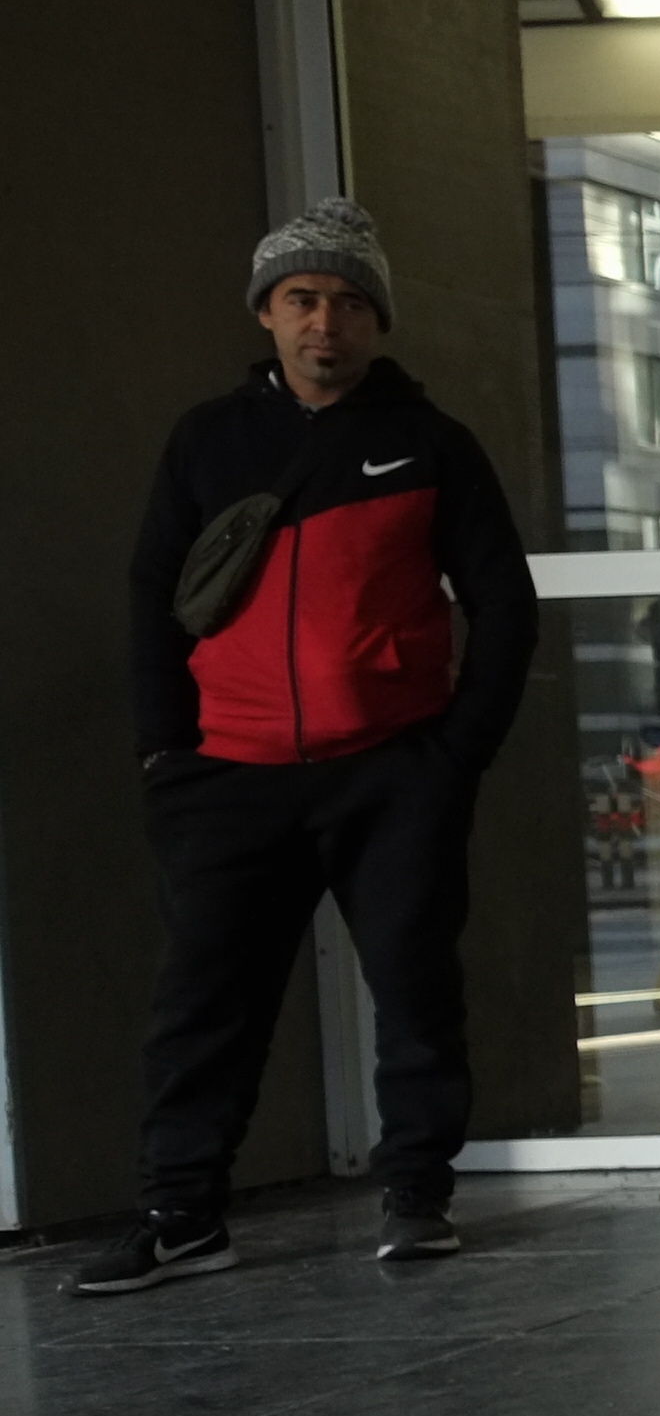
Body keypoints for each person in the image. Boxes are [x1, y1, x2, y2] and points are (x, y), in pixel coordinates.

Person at [87, 199, 535, 1291]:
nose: (323, 323)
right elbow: (153, 594)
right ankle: (183, 1213)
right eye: (301, 301)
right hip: (225, 776)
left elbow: (504, 604)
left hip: (390, 772)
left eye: (346, 302)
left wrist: (454, 752)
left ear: (375, 321)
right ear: (266, 313)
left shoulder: (429, 446)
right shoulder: (209, 440)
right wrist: (165, 754)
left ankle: (417, 1193)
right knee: (203, 1005)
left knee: (415, 986)